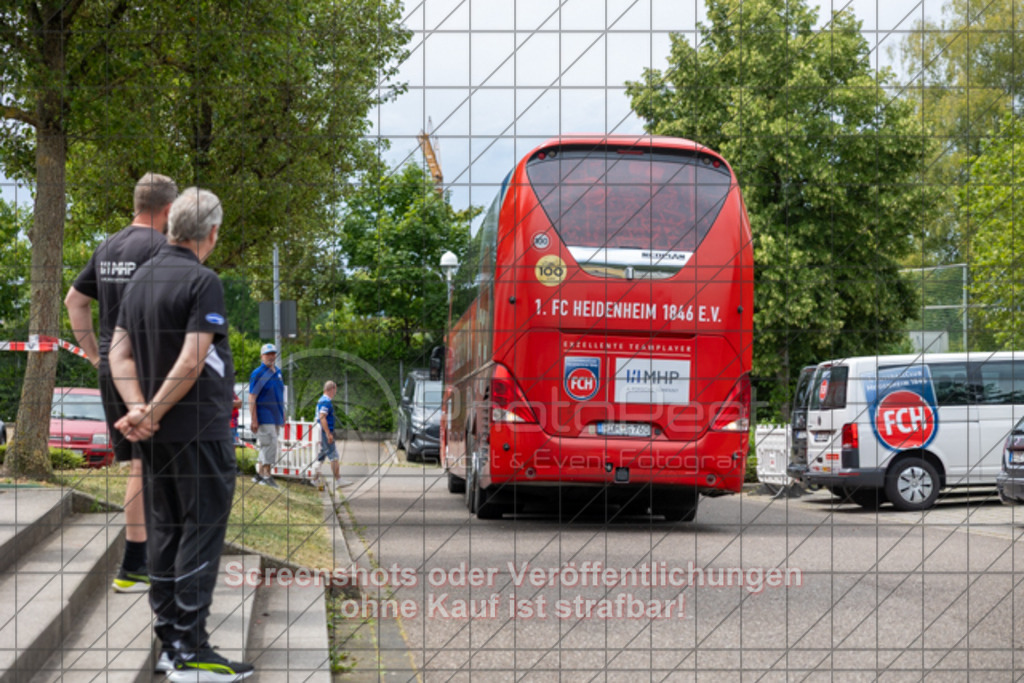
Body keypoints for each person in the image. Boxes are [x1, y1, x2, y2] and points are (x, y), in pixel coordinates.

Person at [109, 187, 254, 681]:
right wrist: (149, 408)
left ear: (170, 224)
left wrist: (138, 409)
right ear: (211, 233)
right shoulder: (202, 281)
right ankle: (192, 652)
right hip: (199, 431)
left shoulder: (140, 279)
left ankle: (172, 644)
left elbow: (119, 355)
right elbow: (193, 359)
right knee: (201, 531)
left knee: (166, 533)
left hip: (155, 437)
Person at [64, 171, 178, 595]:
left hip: (113, 367)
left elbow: (75, 302)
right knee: (157, 465)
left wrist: (97, 356)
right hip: (150, 369)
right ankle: (144, 563)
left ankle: (138, 563)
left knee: (139, 463)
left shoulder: (107, 245)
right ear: (168, 210)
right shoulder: (164, 248)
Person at [249, 343, 285, 488]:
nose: (271, 356)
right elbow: (252, 397)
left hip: (276, 415)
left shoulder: (278, 372)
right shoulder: (258, 373)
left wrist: (282, 415)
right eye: (267, 354)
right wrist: (254, 419)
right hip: (264, 414)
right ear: (261, 356)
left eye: (273, 353)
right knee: (271, 443)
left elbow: (280, 395)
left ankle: (259, 475)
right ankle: (267, 475)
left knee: (266, 444)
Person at [313, 380, 351, 490]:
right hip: (325, 432)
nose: (335, 393)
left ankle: (314, 479)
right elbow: (322, 417)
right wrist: (328, 433)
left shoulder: (321, 400)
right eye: (335, 390)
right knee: (334, 456)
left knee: (321, 456)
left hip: (321, 432)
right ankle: (338, 479)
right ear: (331, 389)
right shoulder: (326, 401)